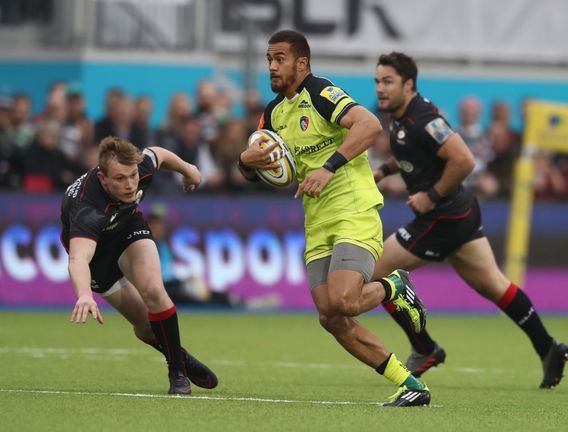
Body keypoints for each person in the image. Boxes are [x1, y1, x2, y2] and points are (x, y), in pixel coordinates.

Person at [237, 30, 430, 407]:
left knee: (342, 300)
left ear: (302, 63)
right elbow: (257, 168)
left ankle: (394, 287)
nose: (272, 66)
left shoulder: (322, 93)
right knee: (330, 315)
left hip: (353, 209)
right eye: (269, 59)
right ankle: (410, 385)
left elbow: (370, 125)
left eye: (280, 59)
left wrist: (329, 167)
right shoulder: (273, 113)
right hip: (317, 220)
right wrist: (245, 163)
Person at [371, 52, 568, 388]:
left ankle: (425, 348)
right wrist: (382, 171)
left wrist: (430, 196)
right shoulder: (404, 116)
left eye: (387, 81)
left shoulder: (422, 118)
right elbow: (412, 151)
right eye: (377, 81)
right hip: (458, 213)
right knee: (494, 285)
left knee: (376, 273)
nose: (380, 88)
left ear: (408, 84)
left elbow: (463, 160)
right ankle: (548, 347)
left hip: (440, 217)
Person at [60, 136, 218, 394]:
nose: (130, 184)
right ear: (103, 179)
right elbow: (78, 258)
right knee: (145, 326)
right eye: (120, 179)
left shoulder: (139, 168)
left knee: (154, 291)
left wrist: (188, 170)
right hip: (98, 256)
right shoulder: (86, 209)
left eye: (133, 175)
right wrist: (84, 295)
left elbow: (159, 153)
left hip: (127, 228)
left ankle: (176, 372)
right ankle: (178, 353)